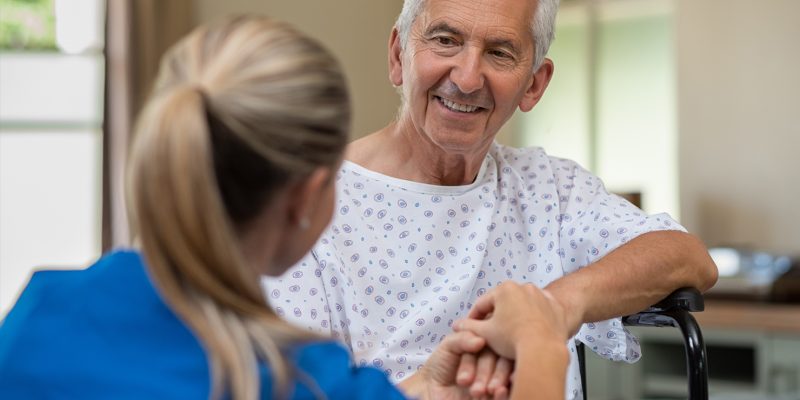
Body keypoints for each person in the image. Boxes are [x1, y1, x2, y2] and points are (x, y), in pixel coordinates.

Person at [0, 15, 570, 400]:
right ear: (309, 197)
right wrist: (543, 350)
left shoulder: (38, 313)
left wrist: (415, 390)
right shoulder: (295, 378)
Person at [263, 0, 719, 399]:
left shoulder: (550, 188)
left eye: (500, 53)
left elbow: (686, 256)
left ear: (534, 84)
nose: (466, 78)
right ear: (398, 54)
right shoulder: (310, 203)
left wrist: (551, 310)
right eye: (445, 40)